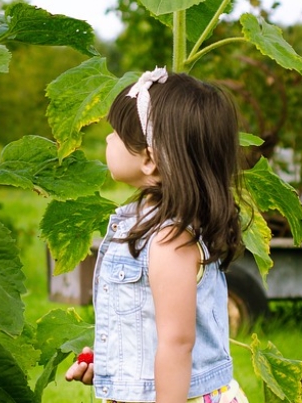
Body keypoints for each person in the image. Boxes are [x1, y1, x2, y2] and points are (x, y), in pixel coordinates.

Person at [65, 67, 250, 403]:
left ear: (149, 160)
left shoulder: (170, 241)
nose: (108, 139)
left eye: (117, 135)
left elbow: (177, 344)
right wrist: (110, 364)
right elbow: (147, 327)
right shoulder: (148, 225)